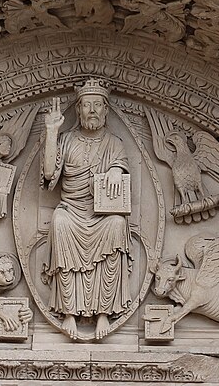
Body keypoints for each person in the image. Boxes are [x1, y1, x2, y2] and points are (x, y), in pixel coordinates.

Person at [41, 78, 131, 340]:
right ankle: (68, 311)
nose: (92, 110)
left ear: (106, 110)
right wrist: (51, 132)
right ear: (78, 111)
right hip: (71, 209)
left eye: (97, 105)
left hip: (101, 216)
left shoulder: (114, 143)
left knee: (118, 224)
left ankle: (104, 312)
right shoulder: (66, 140)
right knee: (59, 221)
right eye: (86, 105)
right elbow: (49, 174)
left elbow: (120, 165)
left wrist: (116, 170)